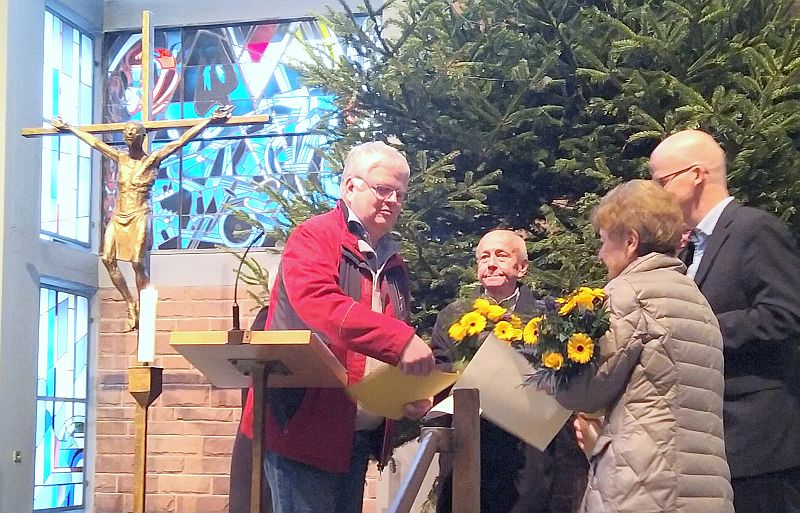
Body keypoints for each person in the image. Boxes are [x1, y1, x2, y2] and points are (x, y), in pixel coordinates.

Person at [236, 141, 435, 513]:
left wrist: (407, 392)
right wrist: (401, 340)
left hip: (355, 434)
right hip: (305, 425)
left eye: (400, 194)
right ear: (348, 187)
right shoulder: (315, 236)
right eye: (382, 189)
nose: (392, 201)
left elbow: (381, 350)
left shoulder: (393, 261)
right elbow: (319, 304)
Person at [554, 180, 734, 513]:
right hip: (706, 490)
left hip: (643, 487)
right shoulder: (698, 300)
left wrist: (553, 368)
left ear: (631, 241)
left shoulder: (628, 294)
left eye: (604, 240)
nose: (600, 253)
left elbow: (583, 392)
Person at [649, 129, 800, 513]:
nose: (654, 193)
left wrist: (699, 328)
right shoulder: (689, 247)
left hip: (757, 440)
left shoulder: (754, 229)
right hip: (710, 441)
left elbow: (785, 314)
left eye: (661, 181)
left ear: (696, 175)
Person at [430, 229, 587, 513]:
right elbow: (440, 373)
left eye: (502, 256)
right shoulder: (453, 316)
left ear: (522, 267)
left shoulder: (548, 316)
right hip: (470, 443)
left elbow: (564, 378)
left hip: (528, 451)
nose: (491, 264)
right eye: (484, 257)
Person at [50, 105, 233, 330]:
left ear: (141, 136)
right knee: (108, 259)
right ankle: (130, 303)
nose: (128, 134)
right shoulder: (120, 158)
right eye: (125, 130)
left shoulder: (153, 159)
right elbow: (95, 143)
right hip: (119, 216)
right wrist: (69, 128)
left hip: (140, 214)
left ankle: (145, 307)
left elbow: (181, 140)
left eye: (132, 131)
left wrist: (210, 121)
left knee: (137, 261)